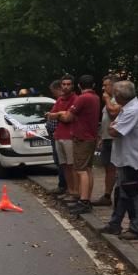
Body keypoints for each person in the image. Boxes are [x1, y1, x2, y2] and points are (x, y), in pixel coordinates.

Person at [100, 80, 138, 240]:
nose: (113, 97)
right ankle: (115, 223)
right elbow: (114, 127)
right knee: (121, 192)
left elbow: (115, 131)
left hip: (131, 158)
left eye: (115, 94)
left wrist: (112, 127)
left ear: (120, 96)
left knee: (132, 192)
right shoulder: (127, 109)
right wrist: (113, 126)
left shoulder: (133, 111)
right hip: (123, 157)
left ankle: (136, 228)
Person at [60, 75, 101, 215]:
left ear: (78, 86)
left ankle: (83, 201)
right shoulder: (96, 98)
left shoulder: (82, 98)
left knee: (81, 170)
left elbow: (67, 117)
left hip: (82, 137)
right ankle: (87, 199)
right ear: (93, 85)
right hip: (91, 136)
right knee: (88, 169)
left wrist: (58, 114)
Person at [47, 75, 78, 201]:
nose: (65, 86)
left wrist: (57, 114)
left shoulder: (76, 99)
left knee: (72, 166)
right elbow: (50, 116)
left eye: (68, 84)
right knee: (64, 165)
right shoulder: (60, 100)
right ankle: (69, 190)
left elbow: (67, 117)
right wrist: (60, 114)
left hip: (70, 136)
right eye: (63, 84)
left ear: (73, 85)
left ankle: (75, 192)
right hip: (58, 135)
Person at [95, 74, 122, 206]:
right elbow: (105, 119)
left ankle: (117, 194)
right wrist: (100, 136)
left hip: (115, 139)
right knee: (108, 168)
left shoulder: (119, 99)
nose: (103, 88)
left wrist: (106, 99)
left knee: (114, 168)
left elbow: (113, 114)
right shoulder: (110, 100)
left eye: (106, 85)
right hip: (107, 138)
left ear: (113, 86)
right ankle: (107, 195)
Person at [46, 80, 68, 195]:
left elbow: (59, 117)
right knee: (59, 161)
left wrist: (52, 117)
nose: (53, 94)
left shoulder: (64, 102)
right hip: (56, 135)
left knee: (62, 162)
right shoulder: (59, 101)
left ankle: (64, 186)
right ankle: (63, 185)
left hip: (60, 135)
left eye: (53, 91)